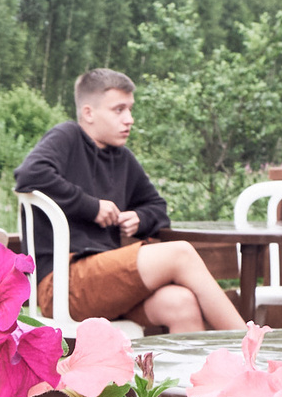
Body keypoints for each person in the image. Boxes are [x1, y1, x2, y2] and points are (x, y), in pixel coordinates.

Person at [14, 69, 240, 331]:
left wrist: (140, 218)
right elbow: (30, 175)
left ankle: (194, 373)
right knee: (181, 254)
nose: (129, 119)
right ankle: (252, 353)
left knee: (181, 303)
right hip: (62, 283)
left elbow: (157, 207)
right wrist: (92, 207)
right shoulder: (68, 137)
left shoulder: (122, 158)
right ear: (88, 113)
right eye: (119, 110)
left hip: (107, 282)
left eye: (130, 109)